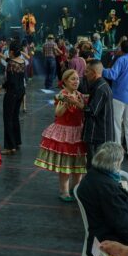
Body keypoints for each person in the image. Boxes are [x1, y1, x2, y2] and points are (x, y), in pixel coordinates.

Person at [77, 143, 128, 256]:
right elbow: (124, 228)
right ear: (116, 164)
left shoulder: (92, 175)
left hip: (99, 234)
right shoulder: (108, 189)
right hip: (107, 242)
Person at [35, 69, 87, 201]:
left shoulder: (79, 94)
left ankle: (76, 189)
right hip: (65, 133)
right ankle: (64, 192)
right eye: (73, 79)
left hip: (78, 132)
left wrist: (78, 102)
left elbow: (83, 109)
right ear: (65, 81)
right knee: (65, 164)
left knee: (78, 165)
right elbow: (58, 113)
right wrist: (66, 102)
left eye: (77, 79)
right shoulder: (62, 95)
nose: (76, 81)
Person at [102, 40, 128, 159]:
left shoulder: (121, 60)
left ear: (122, 49)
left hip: (118, 96)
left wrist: (101, 69)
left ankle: (118, 153)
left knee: (116, 124)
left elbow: (112, 75)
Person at [1, 43, 26, 154]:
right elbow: (11, 62)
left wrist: (2, 86)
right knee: (15, 117)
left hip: (12, 93)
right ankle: (17, 141)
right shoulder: (22, 61)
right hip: (21, 91)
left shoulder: (11, 63)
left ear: (11, 52)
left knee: (8, 119)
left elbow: (10, 80)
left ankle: (10, 147)